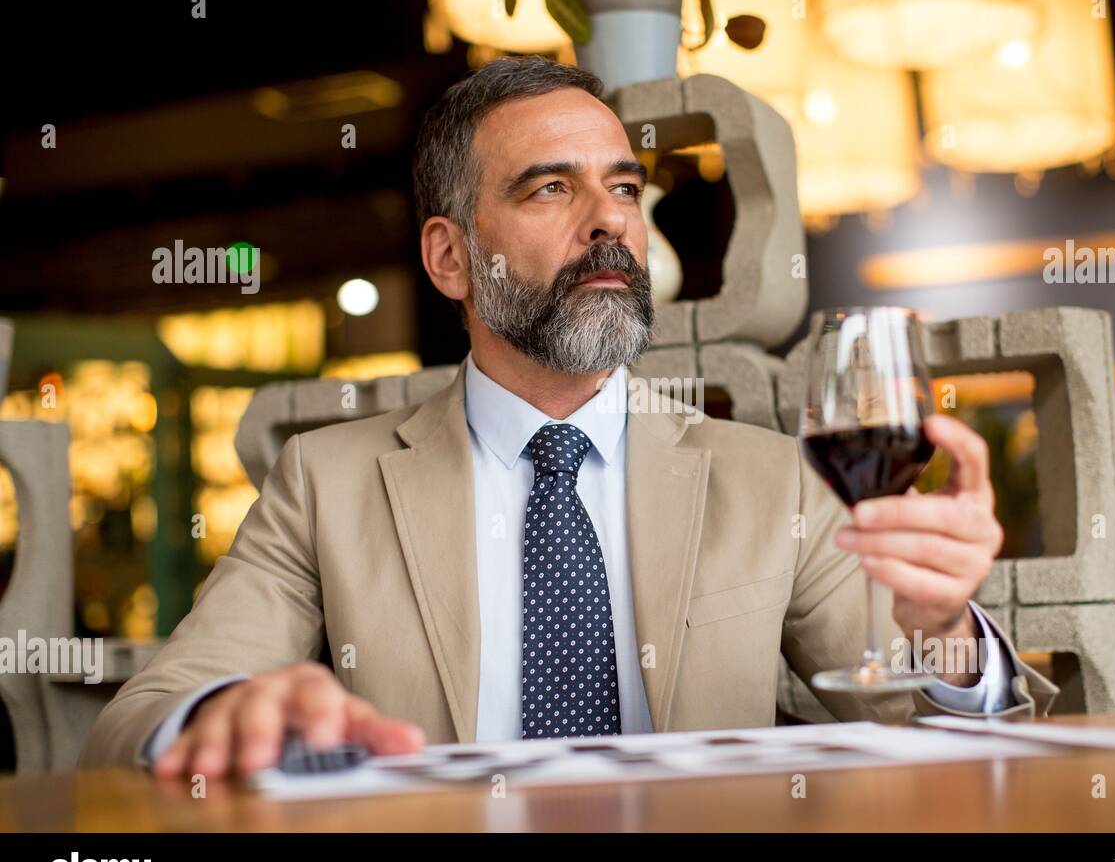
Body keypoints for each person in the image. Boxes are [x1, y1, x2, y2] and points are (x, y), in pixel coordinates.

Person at [80, 57, 1057, 778]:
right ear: (450, 257)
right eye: (552, 186)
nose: (609, 221)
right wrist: (228, 713)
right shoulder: (325, 483)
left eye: (623, 187)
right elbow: (141, 721)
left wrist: (943, 634)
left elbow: (934, 738)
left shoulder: (773, 479)